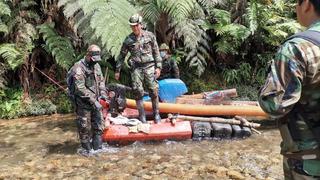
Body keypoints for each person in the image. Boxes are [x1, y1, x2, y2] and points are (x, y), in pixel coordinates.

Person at [258, 0, 320, 179]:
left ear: (307, 4)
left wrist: (265, 92)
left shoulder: (298, 48)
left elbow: (275, 106)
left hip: (309, 161)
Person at [115, 14, 162, 124]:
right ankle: (142, 117)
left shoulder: (150, 36)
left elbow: (156, 52)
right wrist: (118, 70)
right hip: (136, 68)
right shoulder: (128, 40)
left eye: (136, 25)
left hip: (149, 66)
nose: (135, 28)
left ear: (140, 24)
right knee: (138, 91)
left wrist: (158, 67)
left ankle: (156, 114)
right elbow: (121, 56)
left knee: (153, 90)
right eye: (132, 26)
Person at [68, 44, 108, 153]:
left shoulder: (96, 66)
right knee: (84, 129)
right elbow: (80, 88)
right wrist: (93, 101)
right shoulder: (78, 68)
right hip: (83, 104)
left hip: (96, 102)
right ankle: (87, 153)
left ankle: (98, 151)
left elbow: (101, 82)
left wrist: (103, 94)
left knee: (99, 127)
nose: (95, 62)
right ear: (88, 55)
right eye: (93, 59)